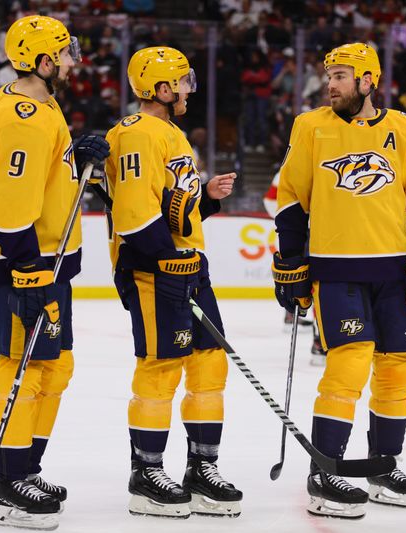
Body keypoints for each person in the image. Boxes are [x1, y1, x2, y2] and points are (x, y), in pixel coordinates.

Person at [273, 43, 406, 519]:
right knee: (348, 366)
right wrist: (291, 260)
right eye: (329, 75)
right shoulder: (311, 127)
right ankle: (324, 471)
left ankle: (381, 465)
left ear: (368, 80)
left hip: (394, 271)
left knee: (398, 369)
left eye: (341, 76)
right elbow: (291, 198)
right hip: (336, 270)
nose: (330, 84)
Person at [0, 15, 109, 530]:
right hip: (22, 263)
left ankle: (26, 466)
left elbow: (45, 181)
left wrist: (80, 158)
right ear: (45, 62)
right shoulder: (25, 116)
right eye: (66, 54)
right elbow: (9, 207)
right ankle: (7, 481)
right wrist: (27, 268)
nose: (74, 61)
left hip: (44, 261)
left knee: (54, 366)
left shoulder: (42, 108)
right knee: (20, 368)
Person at [105, 46, 243, 519]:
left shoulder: (169, 133)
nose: (188, 90)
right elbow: (135, 215)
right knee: (161, 366)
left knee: (208, 365)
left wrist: (204, 197)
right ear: (162, 89)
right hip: (154, 270)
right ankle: (145, 474)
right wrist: (167, 261)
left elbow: (172, 211)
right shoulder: (137, 133)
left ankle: (202, 468)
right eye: (183, 82)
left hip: (186, 267)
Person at [263, 170, 322, 363]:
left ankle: (316, 334)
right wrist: (292, 220)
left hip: (325, 231)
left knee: (319, 283)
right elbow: (272, 200)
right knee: (305, 278)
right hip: (308, 232)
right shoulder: (290, 168)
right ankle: (317, 338)